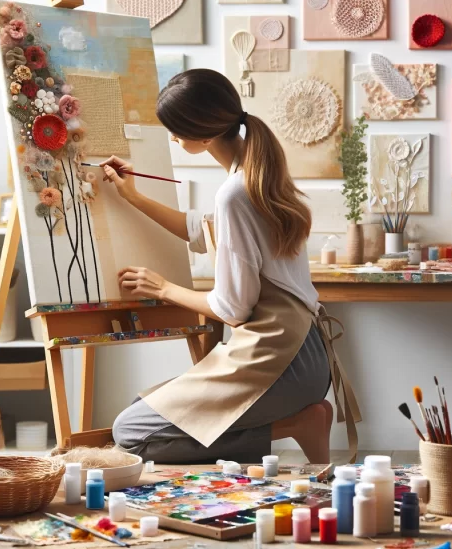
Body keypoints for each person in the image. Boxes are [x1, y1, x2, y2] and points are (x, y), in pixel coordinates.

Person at [103, 69, 360, 464]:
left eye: (176, 131)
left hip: (276, 362)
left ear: (204, 137)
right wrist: (134, 198)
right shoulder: (258, 174)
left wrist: (163, 288)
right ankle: (302, 419)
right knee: (146, 407)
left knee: (130, 433)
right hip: (305, 356)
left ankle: (296, 425)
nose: (173, 139)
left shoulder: (235, 194)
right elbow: (204, 231)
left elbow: (232, 309)